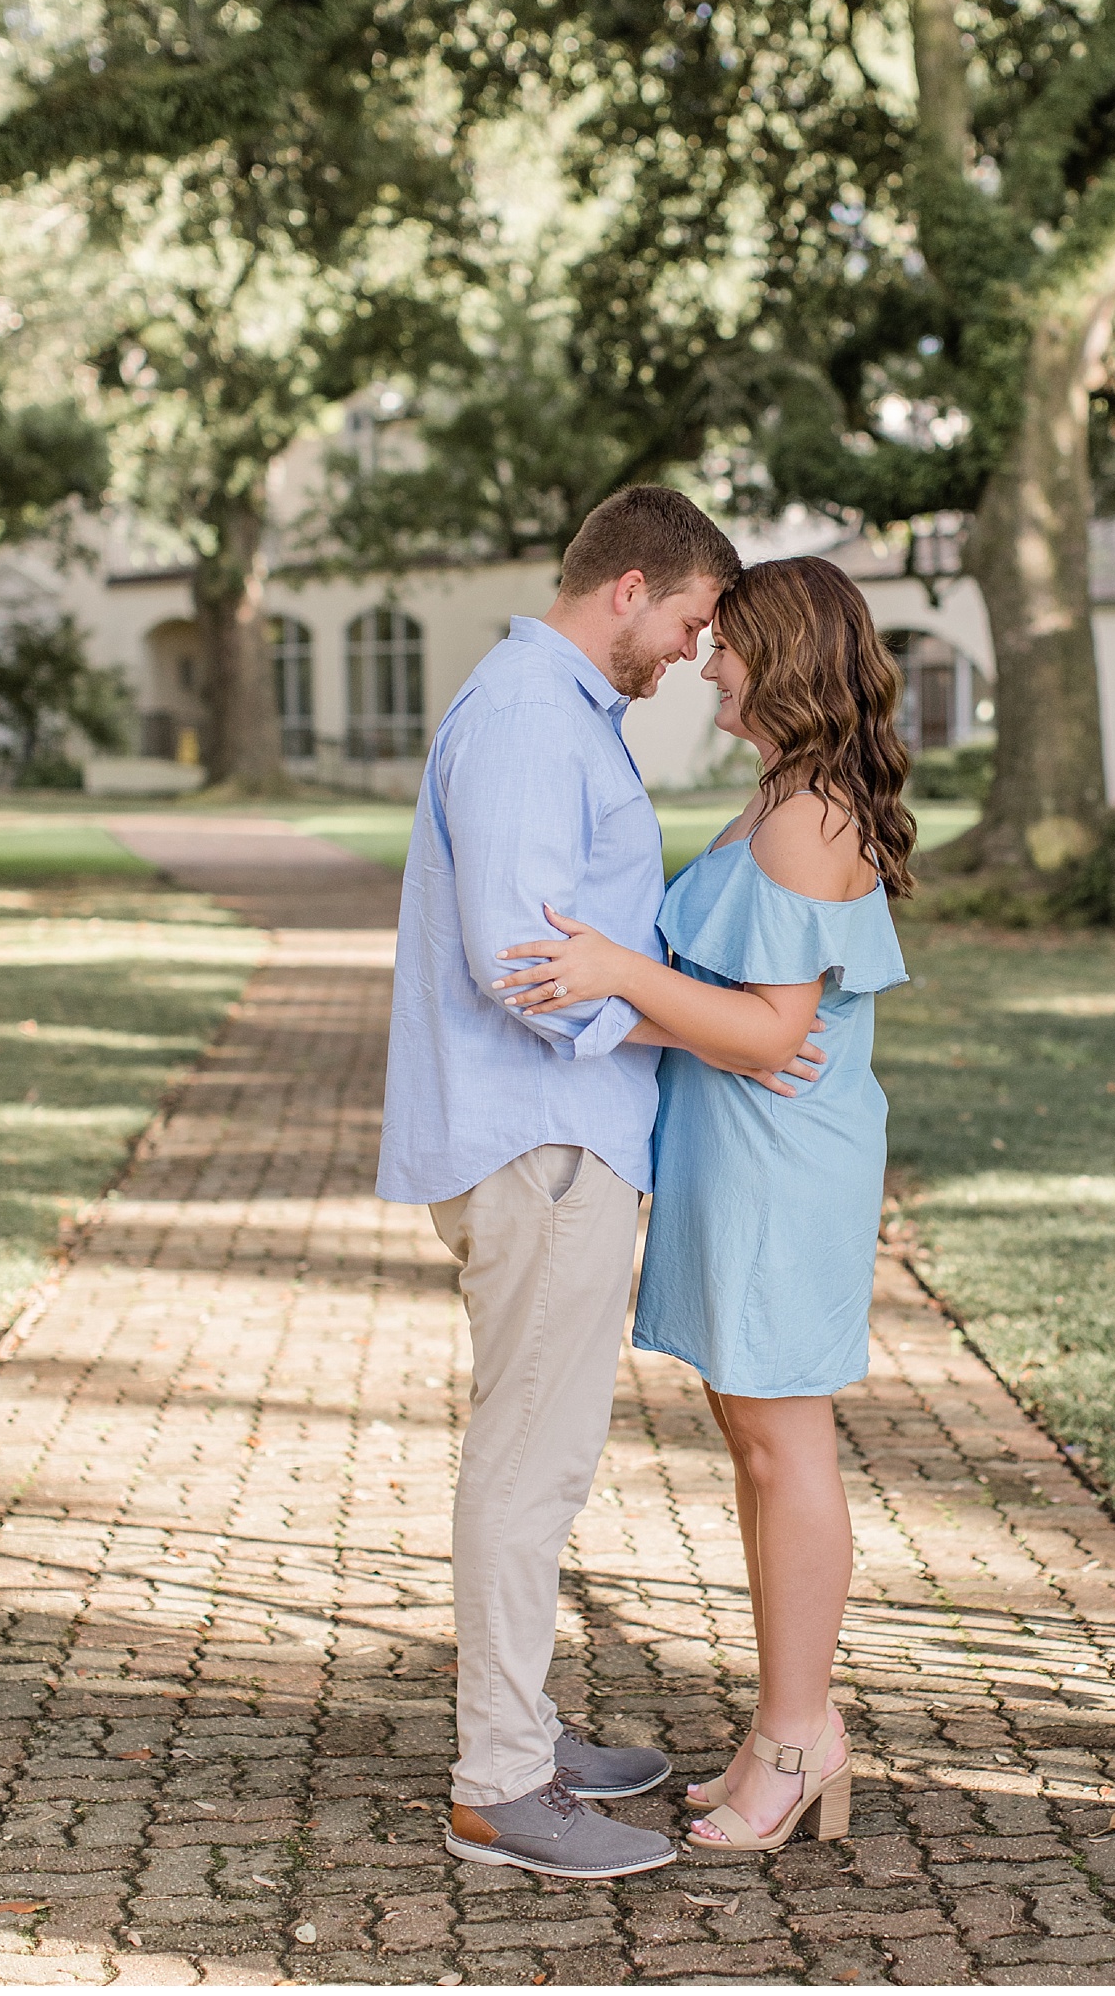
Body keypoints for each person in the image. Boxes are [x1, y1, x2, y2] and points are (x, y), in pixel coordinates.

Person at [378, 486, 820, 1881]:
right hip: (542, 1144)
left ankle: (524, 1732)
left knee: (540, 1459)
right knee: (529, 1465)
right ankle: (500, 1786)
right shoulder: (525, 718)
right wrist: (702, 1022)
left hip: (560, 1140)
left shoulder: (558, 714)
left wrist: (661, 1002)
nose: (698, 650)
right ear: (629, 587)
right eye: (692, 618)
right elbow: (525, 964)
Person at [493, 554, 914, 1857]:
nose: (705, 662)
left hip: (783, 1169)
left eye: (723, 643)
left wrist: (621, 970)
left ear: (777, 657)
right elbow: (721, 1015)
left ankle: (798, 1735)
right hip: (742, 1151)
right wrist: (617, 1006)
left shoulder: (808, 814)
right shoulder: (781, 792)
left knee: (784, 1452)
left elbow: (765, 1029)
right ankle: (783, 1722)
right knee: (755, 1448)